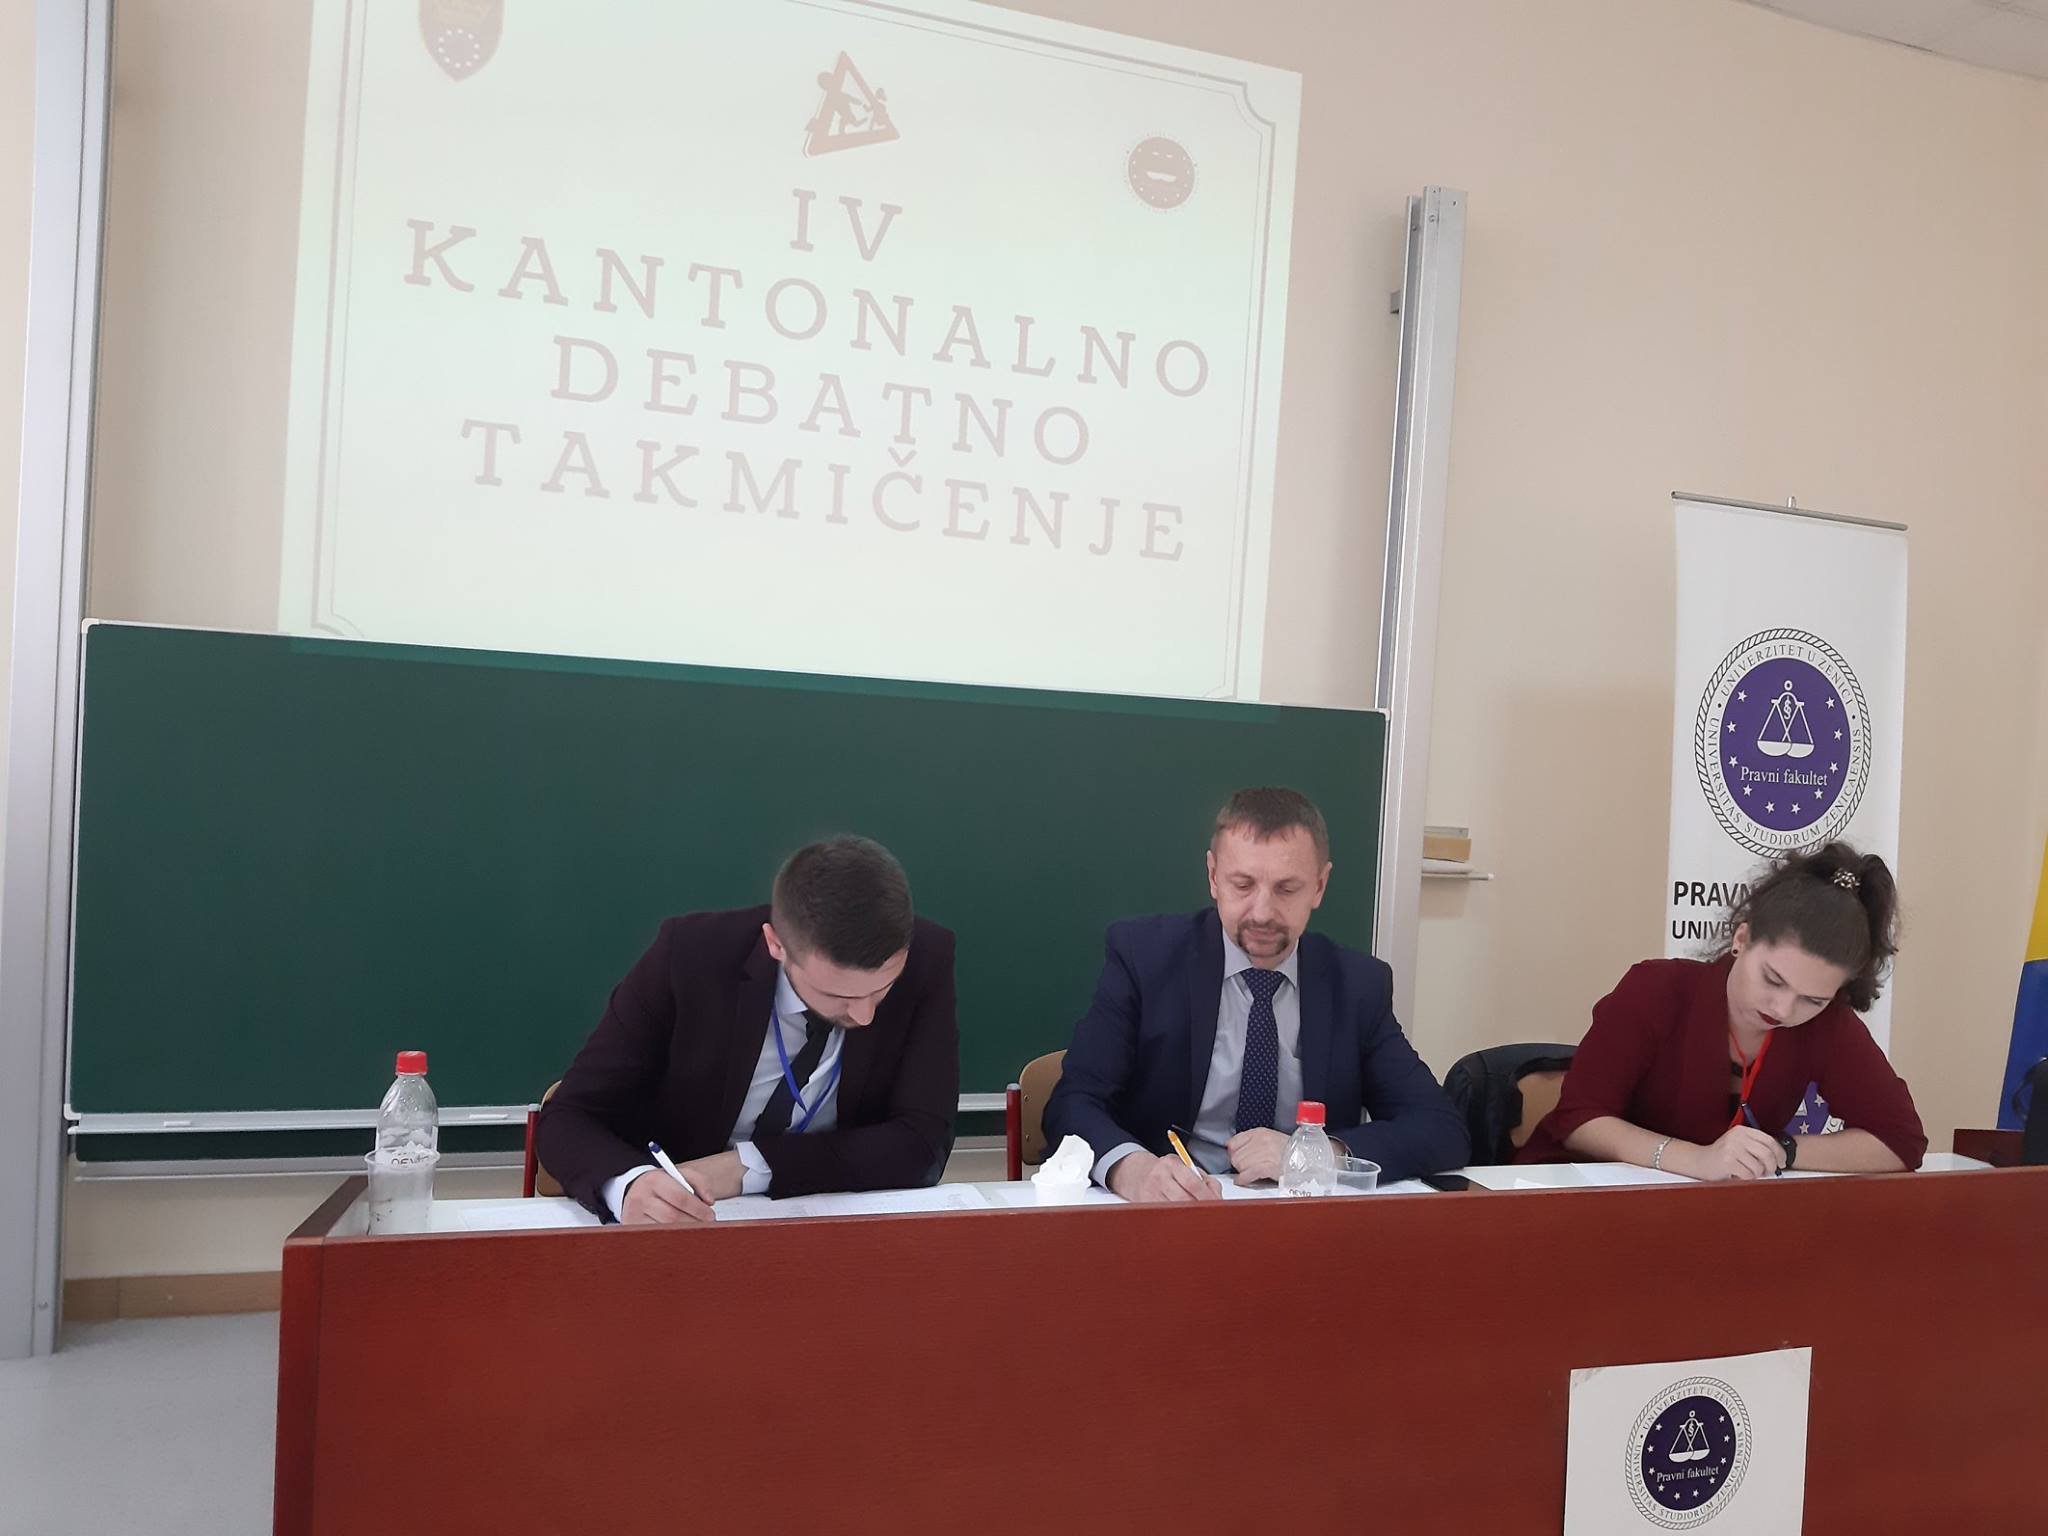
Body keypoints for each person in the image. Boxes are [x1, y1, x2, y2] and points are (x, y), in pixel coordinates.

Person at [1042, 787, 1469, 1202]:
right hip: (1173, 1212)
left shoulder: (1357, 985)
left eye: (1286, 889)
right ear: (1213, 876)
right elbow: (1072, 1103)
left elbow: (1440, 1127)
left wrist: (1314, 1156)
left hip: (1302, 1219)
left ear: (1320, 886)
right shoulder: (1144, 959)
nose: (1262, 913)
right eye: (1243, 885)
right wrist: (1133, 1171)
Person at [536, 836, 958, 1223]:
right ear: (776, 945)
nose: (864, 1015)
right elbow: (568, 1118)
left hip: (828, 1220)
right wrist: (629, 1187)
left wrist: (746, 1167)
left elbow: (923, 1143)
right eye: (837, 995)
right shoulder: (689, 957)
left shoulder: (927, 959)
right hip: (684, 1224)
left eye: (881, 989)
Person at [1518, 842, 1925, 1177]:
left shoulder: (1828, 1024)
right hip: (1584, 1195)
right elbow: (1580, 1119)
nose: (1784, 1009)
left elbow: (1900, 1140)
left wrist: (1780, 1149)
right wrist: (1695, 1159)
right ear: (1742, 939)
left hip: (1710, 1216)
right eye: (1773, 979)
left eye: (1813, 1000)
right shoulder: (1656, 989)